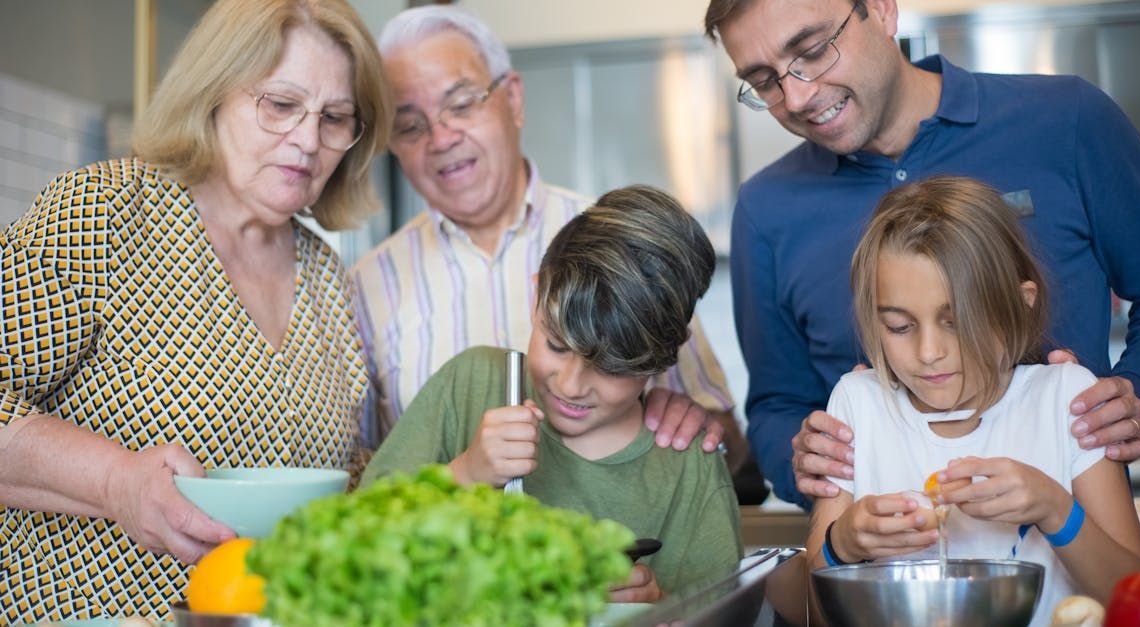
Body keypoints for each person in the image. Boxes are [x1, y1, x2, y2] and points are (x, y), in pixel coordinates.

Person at [704, 0, 1140, 506]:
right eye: (765, 81)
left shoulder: (1067, 119)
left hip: (1079, 547)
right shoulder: (766, 209)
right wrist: (806, 462)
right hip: (887, 565)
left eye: (812, 51)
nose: (798, 95)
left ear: (880, 10)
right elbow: (776, 405)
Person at [0, 0, 389, 621]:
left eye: (335, 117)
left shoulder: (328, 278)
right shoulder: (103, 214)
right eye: (281, 105)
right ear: (214, 94)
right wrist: (118, 483)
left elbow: (345, 473)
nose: (310, 139)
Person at [351, 6, 763, 496]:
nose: (441, 139)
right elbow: (365, 480)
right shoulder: (364, 286)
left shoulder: (621, 249)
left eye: (461, 104)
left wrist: (700, 425)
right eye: (410, 126)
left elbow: (732, 454)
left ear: (514, 98)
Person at [362, 185, 743, 602]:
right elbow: (355, 537)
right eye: (557, 345)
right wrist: (465, 475)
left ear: (664, 357)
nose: (570, 386)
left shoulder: (687, 467)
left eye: (611, 366)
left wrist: (657, 606)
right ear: (536, 292)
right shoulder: (467, 385)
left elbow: (723, 612)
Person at [804, 176, 1140, 626]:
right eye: (899, 327)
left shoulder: (1066, 399)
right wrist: (842, 544)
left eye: (956, 321)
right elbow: (811, 610)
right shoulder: (858, 407)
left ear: (1021, 306)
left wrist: (1054, 509)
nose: (929, 353)